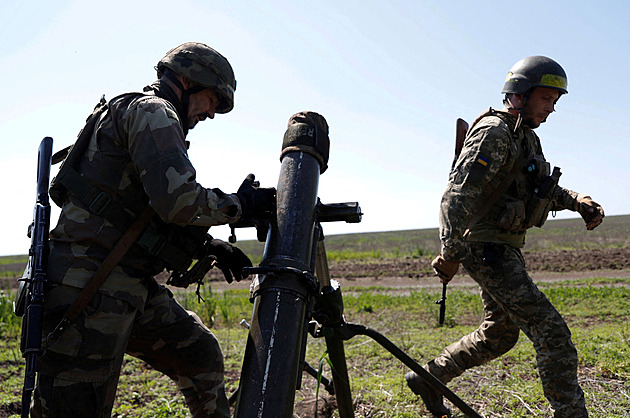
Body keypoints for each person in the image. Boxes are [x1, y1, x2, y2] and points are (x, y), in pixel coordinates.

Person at [33, 42, 261, 417]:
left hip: (123, 282)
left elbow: (136, 211)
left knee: (198, 353)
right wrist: (238, 204)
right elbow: (177, 200)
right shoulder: (155, 113)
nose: (212, 113)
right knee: (76, 406)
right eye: (212, 100)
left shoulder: (142, 114)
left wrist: (209, 245)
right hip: (89, 288)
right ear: (187, 80)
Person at [406, 56, 604, 417]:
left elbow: (539, 191)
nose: (551, 109)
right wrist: (450, 253)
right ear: (521, 93)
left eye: (555, 102)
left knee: (500, 333)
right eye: (547, 99)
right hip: (486, 250)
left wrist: (578, 201)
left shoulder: (525, 138)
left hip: (503, 249)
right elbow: (456, 196)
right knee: (552, 333)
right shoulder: (494, 133)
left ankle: (429, 377)